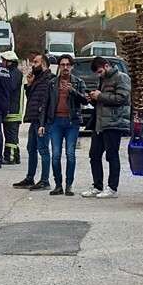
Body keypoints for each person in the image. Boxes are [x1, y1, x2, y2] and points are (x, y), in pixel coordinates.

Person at [81, 56, 130, 199]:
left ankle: (112, 188)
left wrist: (100, 96)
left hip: (114, 123)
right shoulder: (103, 80)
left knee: (112, 155)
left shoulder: (122, 78)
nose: (98, 74)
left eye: (100, 71)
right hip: (100, 123)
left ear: (107, 66)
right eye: (97, 73)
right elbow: (103, 102)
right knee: (94, 155)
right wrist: (94, 98)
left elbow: (121, 98)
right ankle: (97, 186)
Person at [44, 54, 89, 196]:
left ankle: (69, 185)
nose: (65, 67)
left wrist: (72, 91)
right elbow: (45, 104)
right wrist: (42, 123)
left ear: (72, 66)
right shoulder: (52, 83)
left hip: (72, 122)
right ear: (59, 66)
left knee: (70, 154)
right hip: (56, 121)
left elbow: (85, 101)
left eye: (68, 65)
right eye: (62, 65)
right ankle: (58, 184)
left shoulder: (78, 82)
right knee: (56, 154)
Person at [12, 54, 53, 189]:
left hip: (43, 121)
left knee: (43, 149)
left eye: (36, 62)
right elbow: (32, 98)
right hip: (35, 119)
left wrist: (43, 122)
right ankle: (30, 178)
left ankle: (45, 180)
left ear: (43, 64)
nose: (33, 65)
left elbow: (47, 102)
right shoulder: (38, 79)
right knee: (31, 148)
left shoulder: (49, 80)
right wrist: (29, 84)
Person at [0, 51, 24, 165]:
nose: (2, 63)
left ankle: (10, 157)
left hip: (13, 110)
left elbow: (11, 86)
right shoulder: (14, 72)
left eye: (3, 61)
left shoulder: (15, 73)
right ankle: (16, 156)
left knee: (10, 134)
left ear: (9, 61)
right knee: (11, 134)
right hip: (12, 108)